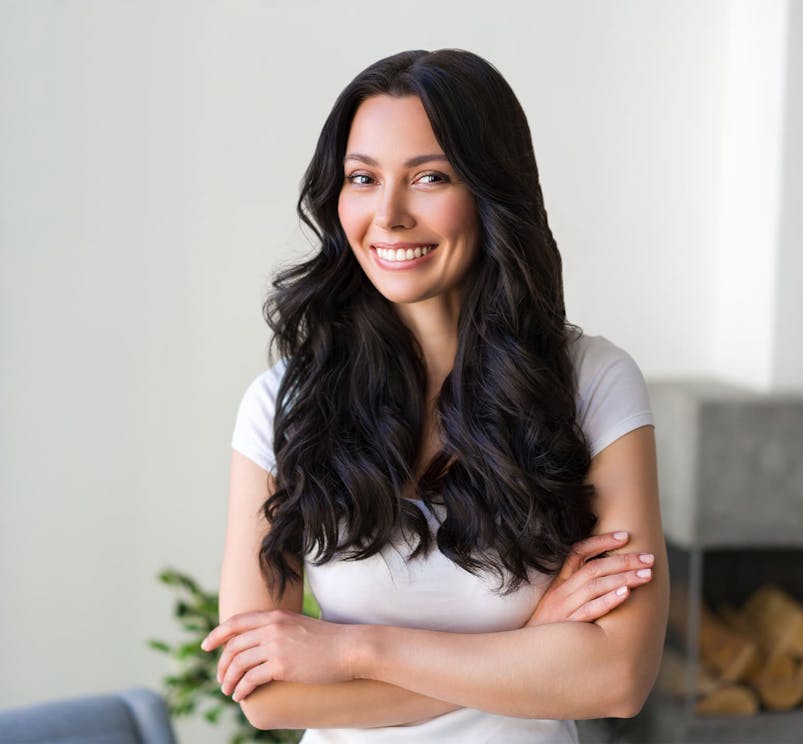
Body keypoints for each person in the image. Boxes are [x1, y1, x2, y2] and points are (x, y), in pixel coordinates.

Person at [201, 49, 669, 743]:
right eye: (363, 178)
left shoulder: (593, 383)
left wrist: (354, 650)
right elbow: (267, 697)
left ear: (490, 193)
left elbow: (618, 679)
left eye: (429, 178)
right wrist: (531, 646)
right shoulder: (282, 404)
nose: (388, 215)